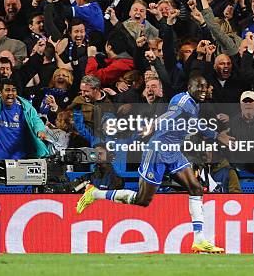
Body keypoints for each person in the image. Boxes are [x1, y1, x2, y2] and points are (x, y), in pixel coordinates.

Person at [76, 76, 233, 253]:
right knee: (142, 200)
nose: (203, 90)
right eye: (199, 87)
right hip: (157, 151)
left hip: (173, 151)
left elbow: (193, 123)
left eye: (205, 87)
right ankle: (95, 193)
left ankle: (199, 239)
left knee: (196, 188)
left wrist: (215, 135)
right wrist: (153, 125)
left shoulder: (193, 102)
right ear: (189, 87)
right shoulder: (183, 102)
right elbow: (169, 115)